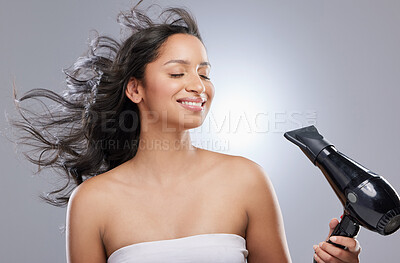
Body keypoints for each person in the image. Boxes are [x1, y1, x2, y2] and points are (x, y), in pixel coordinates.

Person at [12, 2, 361, 263]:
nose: (198, 86)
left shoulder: (246, 180)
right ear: (136, 90)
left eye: (204, 73)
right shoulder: (91, 203)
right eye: (178, 73)